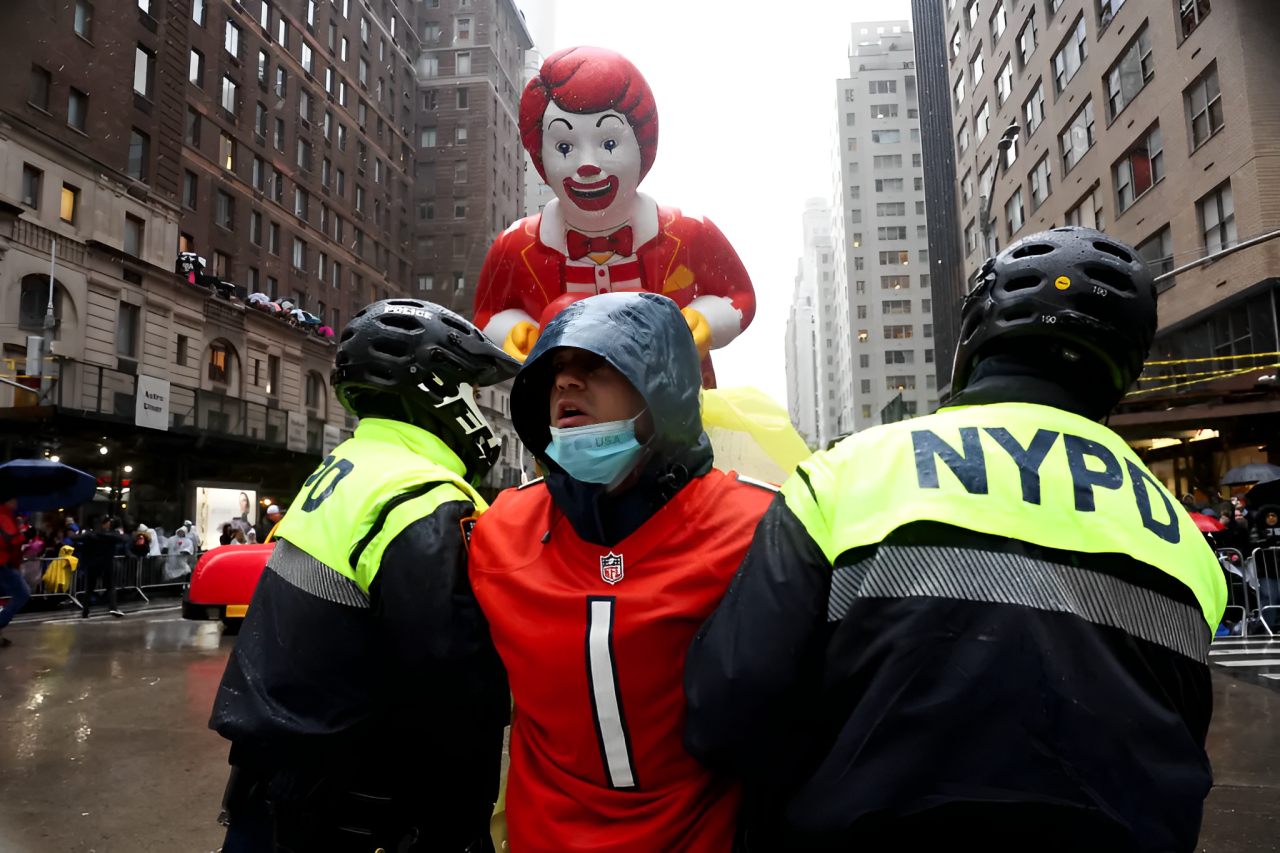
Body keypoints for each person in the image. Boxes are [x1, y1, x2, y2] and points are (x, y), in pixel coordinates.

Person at [684, 228, 1227, 852]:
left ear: (973, 336)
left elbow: (725, 712)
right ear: (1129, 364)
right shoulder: (1184, 542)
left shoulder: (849, 474)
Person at [468, 292, 778, 852]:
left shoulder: (758, 527)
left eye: (598, 365)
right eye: (557, 370)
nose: (566, 384)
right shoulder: (501, 531)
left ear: (664, 390)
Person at [210, 299, 519, 853]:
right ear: (438, 392)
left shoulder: (346, 468)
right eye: (472, 391)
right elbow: (459, 680)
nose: (477, 410)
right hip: (352, 812)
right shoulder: (422, 497)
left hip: (276, 790)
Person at [473, 46, 755, 388]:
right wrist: (514, 332)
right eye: (565, 147)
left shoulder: (689, 233)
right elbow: (487, 315)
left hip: (678, 410)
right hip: (570, 416)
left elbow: (739, 296)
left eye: (608, 143)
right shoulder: (515, 246)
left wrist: (704, 321)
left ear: (642, 143)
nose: (587, 165)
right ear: (540, 153)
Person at [73, 517, 128, 619]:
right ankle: (113, 607)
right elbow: (124, 539)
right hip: (107, 563)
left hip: (92, 563)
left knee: (89, 588)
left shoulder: (90, 535)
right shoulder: (111, 536)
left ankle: (85, 610)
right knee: (111, 586)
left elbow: (75, 539)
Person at [0, 494, 32, 646]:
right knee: (22, 593)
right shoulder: (3, 515)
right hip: (2, 562)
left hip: (5, 562)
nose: (17, 501)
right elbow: (11, 539)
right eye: (13, 498)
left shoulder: (6, 515)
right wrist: (25, 536)